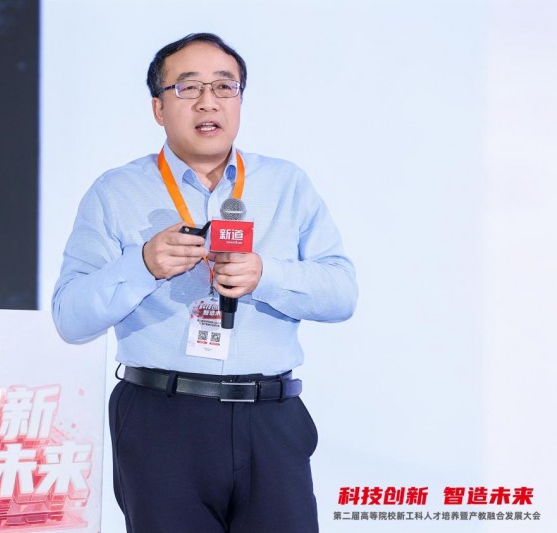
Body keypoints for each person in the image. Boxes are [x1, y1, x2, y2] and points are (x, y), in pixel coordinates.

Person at [53, 33, 358, 532]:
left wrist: (266, 274)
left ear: (240, 100)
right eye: (188, 87)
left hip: (271, 418)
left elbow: (342, 293)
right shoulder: (115, 192)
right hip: (161, 420)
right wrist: (143, 265)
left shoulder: (286, 184)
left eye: (224, 86)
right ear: (158, 107)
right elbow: (70, 318)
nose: (208, 102)